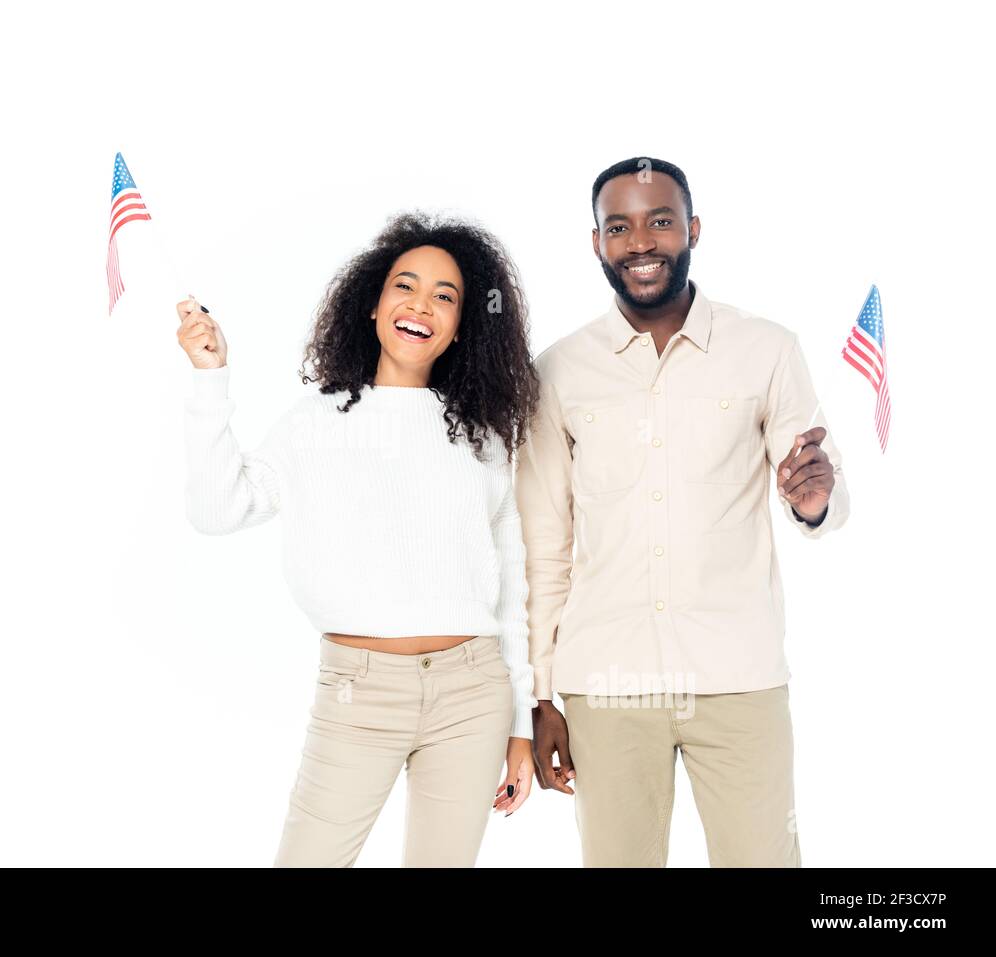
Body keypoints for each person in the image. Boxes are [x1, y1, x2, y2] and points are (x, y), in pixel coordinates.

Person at [177, 212, 541, 867]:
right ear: (373, 305)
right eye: (405, 286)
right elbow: (217, 509)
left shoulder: (482, 438)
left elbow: (512, 577)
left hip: (473, 692)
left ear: (459, 327)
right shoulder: (315, 423)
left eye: (444, 296)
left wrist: (519, 720)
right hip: (358, 694)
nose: (421, 305)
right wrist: (210, 379)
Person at [517, 157, 850, 867]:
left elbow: (822, 485)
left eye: (660, 221)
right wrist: (542, 693)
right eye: (620, 227)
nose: (642, 241)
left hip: (740, 675)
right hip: (606, 683)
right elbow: (544, 545)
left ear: (692, 228)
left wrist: (815, 501)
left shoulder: (767, 348)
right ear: (597, 243)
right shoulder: (558, 372)